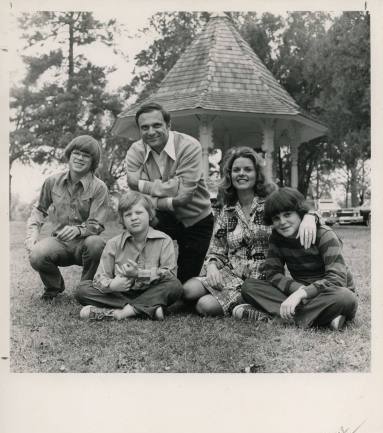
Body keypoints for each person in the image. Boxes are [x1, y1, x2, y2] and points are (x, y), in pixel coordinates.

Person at [182, 147, 318, 317]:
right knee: (188, 290)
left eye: (248, 169)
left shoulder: (271, 203)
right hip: (230, 273)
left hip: (261, 278)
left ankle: (252, 303)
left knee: (204, 306)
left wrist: (310, 216)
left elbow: (300, 209)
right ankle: (234, 300)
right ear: (230, 175)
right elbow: (217, 248)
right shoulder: (227, 209)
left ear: (257, 174)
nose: (241, 173)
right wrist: (211, 267)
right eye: (236, 170)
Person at [236, 187, 357, 330]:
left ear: (300, 213)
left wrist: (303, 293)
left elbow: (337, 279)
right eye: (276, 218)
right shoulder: (277, 237)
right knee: (249, 286)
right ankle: (324, 319)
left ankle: (281, 317)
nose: (282, 222)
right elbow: (272, 273)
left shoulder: (324, 234)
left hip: (330, 292)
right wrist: (298, 290)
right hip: (301, 291)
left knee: (346, 297)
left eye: (287, 214)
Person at [125, 102, 214, 284]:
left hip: (196, 218)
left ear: (168, 125)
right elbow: (134, 192)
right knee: (138, 224)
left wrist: (144, 186)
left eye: (157, 125)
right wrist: (171, 189)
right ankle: (145, 283)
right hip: (161, 217)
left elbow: (184, 198)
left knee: (185, 287)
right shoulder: (135, 151)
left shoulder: (189, 146)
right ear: (139, 130)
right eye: (145, 127)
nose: (151, 131)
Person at [75, 192, 183, 321]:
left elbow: (169, 273)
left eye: (139, 213)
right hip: (121, 293)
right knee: (82, 289)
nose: (134, 218)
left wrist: (140, 274)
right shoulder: (113, 244)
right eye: (128, 214)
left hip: (152, 290)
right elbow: (100, 277)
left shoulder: (164, 240)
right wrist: (112, 285)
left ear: (149, 215)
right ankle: (148, 308)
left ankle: (121, 313)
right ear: (123, 220)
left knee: (175, 285)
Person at [25, 135, 109, 300]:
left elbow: (97, 224)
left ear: (93, 162)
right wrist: (32, 233)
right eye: (76, 153)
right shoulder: (52, 181)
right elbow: (39, 210)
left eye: (86, 155)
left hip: (85, 244)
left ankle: (86, 288)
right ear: (69, 155)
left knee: (97, 244)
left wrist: (78, 230)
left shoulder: (100, 188)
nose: (80, 158)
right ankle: (53, 287)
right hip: (59, 242)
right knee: (36, 253)